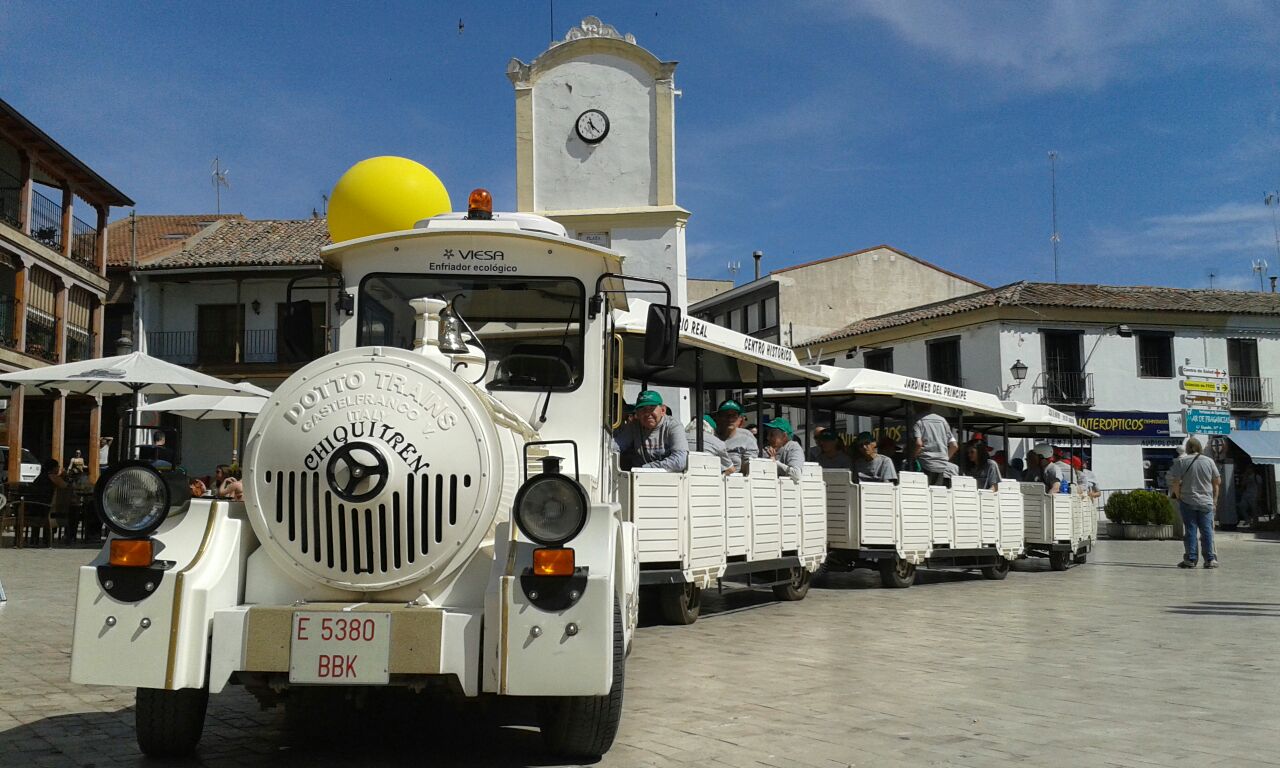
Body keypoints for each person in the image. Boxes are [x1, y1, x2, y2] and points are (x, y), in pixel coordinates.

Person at [1169, 437, 1221, 569]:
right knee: (1207, 530)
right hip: (1206, 501)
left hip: (1188, 501)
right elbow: (1217, 482)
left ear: (1187, 448)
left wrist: (1179, 496)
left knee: (1191, 530)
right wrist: (1214, 499)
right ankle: (1210, 559)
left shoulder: (1182, 462)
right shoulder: (1209, 461)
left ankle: (1191, 559)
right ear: (1200, 447)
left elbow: (1175, 482)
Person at [613, 390, 688, 472]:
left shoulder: (673, 426)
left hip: (667, 479)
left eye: (652, 408)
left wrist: (646, 469)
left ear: (662, 410)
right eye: (643, 409)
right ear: (637, 413)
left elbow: (681, 460)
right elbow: (616, 445)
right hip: (637, 477)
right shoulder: (634, 426)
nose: (647, 414)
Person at [911, 404, 958, 482]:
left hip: (924, 464)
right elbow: (954, 446)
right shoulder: (942, 420)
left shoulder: (918, 420)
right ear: (930, 406)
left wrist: (913, 458)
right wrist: (944, 459)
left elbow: (918, 444)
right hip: (941, 467)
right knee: (935, 493)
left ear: (916, 406)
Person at [715, 399, 758, 473]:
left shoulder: (747, 437)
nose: (730, 419)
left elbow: (751, 464)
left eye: (734, 415)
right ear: (718, 417)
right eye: (726, 415)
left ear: (740, 418)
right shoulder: (711, 436)